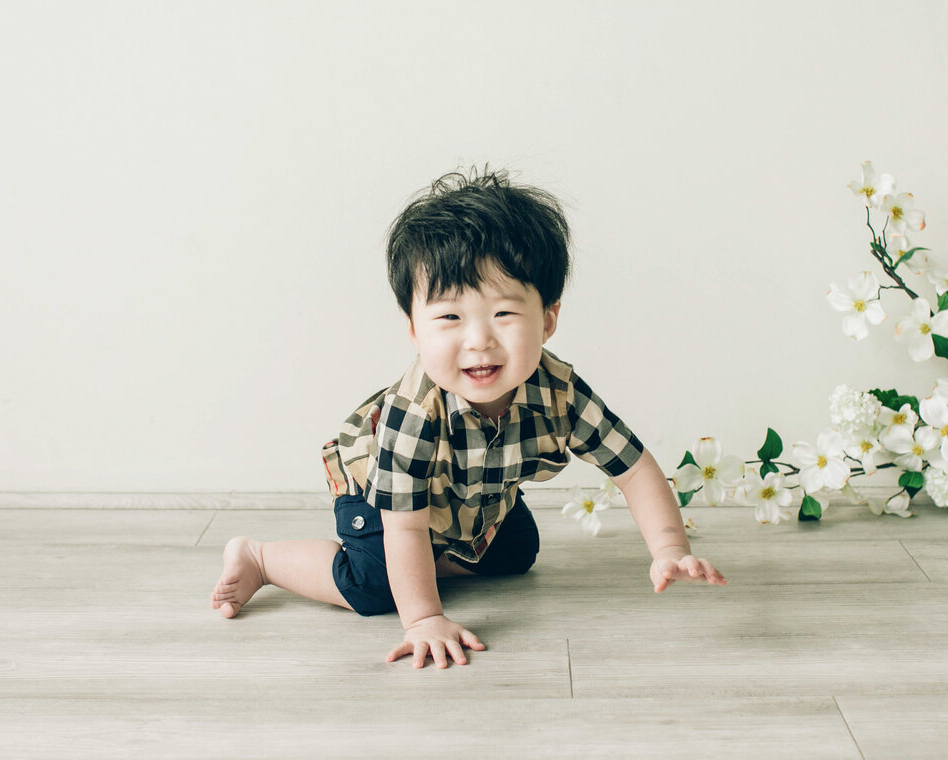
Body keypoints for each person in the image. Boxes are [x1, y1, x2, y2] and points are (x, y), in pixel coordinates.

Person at [210, 167, 726, 669]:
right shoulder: (415, 414)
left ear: (547, 319)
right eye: (450, 317)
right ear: (415, 329)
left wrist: (669, 549)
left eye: (503, 313)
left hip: (470, 494)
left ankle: (433, 562)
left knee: (518, 549)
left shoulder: (560, 391)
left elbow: (633, 469)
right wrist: (424, 619)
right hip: (382, 499)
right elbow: (406, 528)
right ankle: (262, 558)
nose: (478, 340)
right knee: (374, 587)